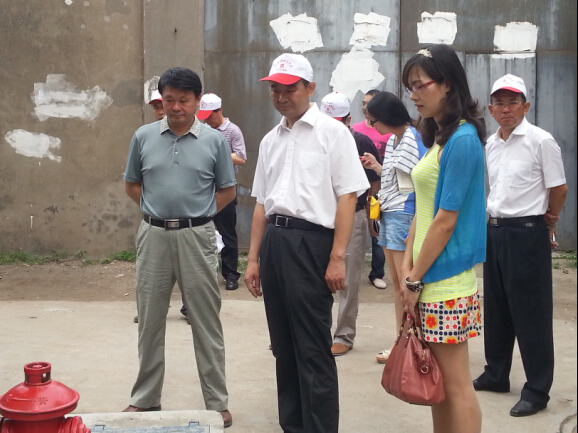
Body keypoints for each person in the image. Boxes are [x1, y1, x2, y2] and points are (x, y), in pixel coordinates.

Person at [244, 53, 369, 433]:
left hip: (313, 243)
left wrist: (337, 257)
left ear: (310, 88)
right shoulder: (271, 140)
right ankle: (293, 425)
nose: (282, 97)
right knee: (283, 346)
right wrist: (253, 259)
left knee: (313, 346)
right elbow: (261, 204)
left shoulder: (333, 133)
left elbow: (348, 196)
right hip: (276, 242)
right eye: (275, 90)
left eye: (290, 89)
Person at [122, 67, 235, 428]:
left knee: (206, 321)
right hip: (153, 235)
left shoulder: (214, 141)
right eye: (169, 100)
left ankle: (216, 402)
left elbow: (227, 190)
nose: (175, 107)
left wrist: (199, 215)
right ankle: (145, 398)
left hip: (197, 237)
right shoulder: (143, 137)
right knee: (150, 320)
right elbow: (132, 184)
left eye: (183, 100)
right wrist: (155, 210)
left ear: (198, 101)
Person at [400, 44, 487, 433]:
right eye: (410, 87)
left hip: (445, 281)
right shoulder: (439, 137)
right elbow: (423, 212)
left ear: (448, 84)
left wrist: (415, 277)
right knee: (437, 385)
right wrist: (408, 269)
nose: (414, 95)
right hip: (426, 277)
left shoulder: (462, 139)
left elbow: (445, 221)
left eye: (421, 85)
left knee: (455, 385)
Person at [473, 74, 567, 417]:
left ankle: (537, 389)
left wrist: (550, 218)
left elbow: (559, 188)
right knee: (497, 307)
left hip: (527, 233)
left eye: (513, 102)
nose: (506, 109)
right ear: (491, 109)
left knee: (531, 313)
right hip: (496, 231)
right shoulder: (491, 144)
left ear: (525, 106)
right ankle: (496, 373)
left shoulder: (540, 141)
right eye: (499, 103)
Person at [359, 91, 426, 364]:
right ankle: (404, 341)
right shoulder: (397, 139)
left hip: (403, 214)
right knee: (399, 285)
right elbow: (397, 179)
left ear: (387, 117)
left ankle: (409, 344)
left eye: (374, 120)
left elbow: (415, 184)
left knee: (404, 285)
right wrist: (378, 167)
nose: (372, 126)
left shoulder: (411, 138)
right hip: (391, 213)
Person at [319, 92, 381, 357]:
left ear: (348, 120)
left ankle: (344, 334)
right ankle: (315, 331)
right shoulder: (315, 139)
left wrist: (372, 215)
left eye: (338, 121)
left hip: (353, 214)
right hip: (320, 216)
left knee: (349, 277)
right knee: (316, 275)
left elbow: (374, 183)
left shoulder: (361, 142)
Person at [197, 93, 247, 291]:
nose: (207, 120)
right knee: (201, 232)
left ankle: (231, 274)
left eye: (210, 115)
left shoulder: (233, 130)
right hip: (204, 188)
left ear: (219, 110)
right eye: (204, 116)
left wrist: (217, 154)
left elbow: (241, 157)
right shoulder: (202, 130)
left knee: (227, 233)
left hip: (225, 189)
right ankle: (204, 273)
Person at [352, 89, 391, 290]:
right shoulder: (355, 130)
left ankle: (377, 273)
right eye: (363, 103)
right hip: (360, 191)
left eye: (370, 103)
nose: (366, 107)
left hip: (380, 191)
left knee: (376, 230)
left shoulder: (388, 131)